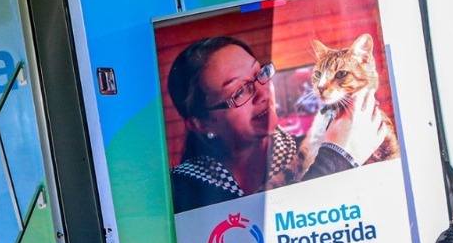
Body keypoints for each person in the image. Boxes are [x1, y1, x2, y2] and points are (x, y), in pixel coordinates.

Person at [165, 36, 388, 213]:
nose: (263, 92)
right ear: (200, 123)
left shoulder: (307, 150)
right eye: (239, 91)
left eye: (260, 74)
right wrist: (336, 159)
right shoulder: (175, 191)